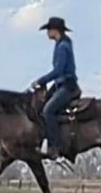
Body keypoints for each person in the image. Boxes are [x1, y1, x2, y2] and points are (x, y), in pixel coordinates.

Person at [30, 17, 80, 159]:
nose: (47, 33)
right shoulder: (61, 43)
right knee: (40, 105)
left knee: (48, 111)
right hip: (60, 84)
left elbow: (58, 70)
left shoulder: (63, 46)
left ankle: (56, 147)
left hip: (67, 85)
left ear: (54, 30)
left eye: (48, 30)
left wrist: (41, 80)